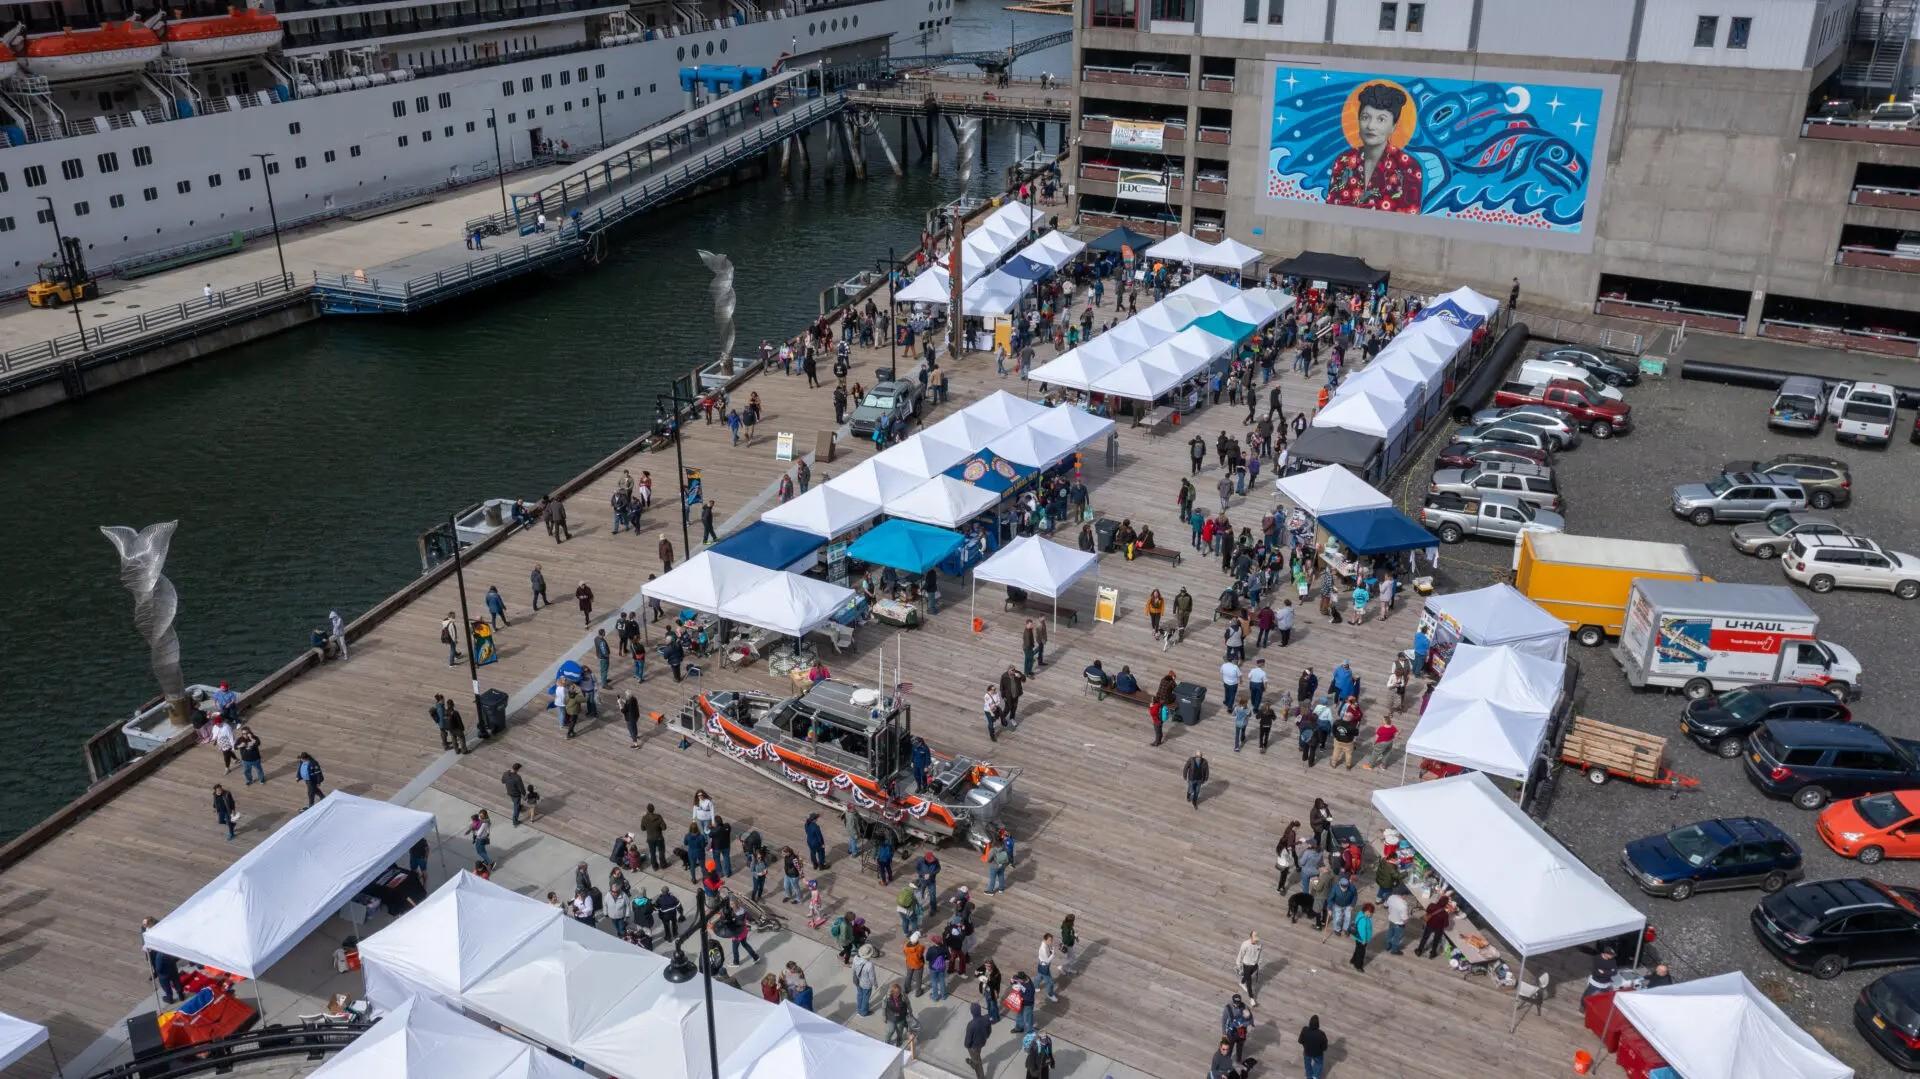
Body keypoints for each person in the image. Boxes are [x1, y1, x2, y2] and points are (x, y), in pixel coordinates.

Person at [963, 1002, 992, 1079]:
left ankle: (981, 1077)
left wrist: (967, 1046)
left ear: (972, 1013)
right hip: (982, 1042)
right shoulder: (986, 1018)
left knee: (978, 1062)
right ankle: (973, 1062)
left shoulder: (971, 1025)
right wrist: (985, 1037)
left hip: (974, 1046)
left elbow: (968, 1040)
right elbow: (989, 1031)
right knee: (977, 1055)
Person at [1222, 995, 1254, 1061]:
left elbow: (1250, 1020)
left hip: (1242, 1030)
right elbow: (1223, 1021)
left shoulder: (1245, 1007)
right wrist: (1224, 1033)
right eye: (1235, 1003)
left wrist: (1243, 1025)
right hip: (1231, 1032)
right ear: (1232, 1001)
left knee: (1240, 1048)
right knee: (1229, 1049)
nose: (1237, 1005)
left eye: (1238, 1003)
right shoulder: (1228, 1008)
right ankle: (1226, 1063)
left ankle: (1238, 1061)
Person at [852, 943, 880, 1016]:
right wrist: (875, 984)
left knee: (860, 995)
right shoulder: (869, 965)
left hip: (858, 981)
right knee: (865, 998)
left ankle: (859, 1009)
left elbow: (853, 969)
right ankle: (863, 1012)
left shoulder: (855, 958)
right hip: (866, 984)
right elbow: (872, 977)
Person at [1237, 931, 1263, 1004]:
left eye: (1256, 939)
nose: (1256, 941)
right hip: (1246, 965)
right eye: (1254, 939)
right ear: (1250, 937)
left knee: (1247, 976)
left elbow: (1260, 955)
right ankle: (1251, 998)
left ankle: (1242, 983)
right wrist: (1238, 965)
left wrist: (1259, 964)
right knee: (1249, 981)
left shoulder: (1260, 945)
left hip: (1254, 965)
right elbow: (1240, 955)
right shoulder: (1245, 945)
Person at [1351, 902, 1375, 971]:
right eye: (1371, 913)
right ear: (1367, 912)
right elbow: (1362, 932)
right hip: (1362, 940)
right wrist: (1364, 940)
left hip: (1358, 939)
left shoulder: (1361, 914)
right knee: (1361, 953)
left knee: (1357, 950)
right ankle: (1358, 966)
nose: (1371, 914)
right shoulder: (1364, 920)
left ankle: (1353, 960)